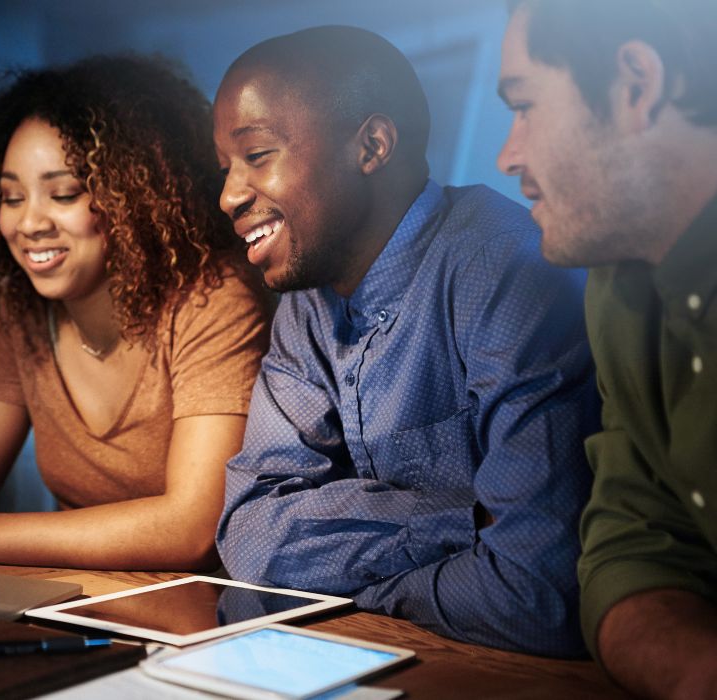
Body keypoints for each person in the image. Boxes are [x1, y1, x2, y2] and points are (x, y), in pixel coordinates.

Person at [213, 25, 600, 657]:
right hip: (397, 656)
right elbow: (251, 537)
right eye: (225, 168)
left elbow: (536, 597)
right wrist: (464, 521)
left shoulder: (506, 272)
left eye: (256, 156)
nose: (228, 195)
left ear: (371, 145)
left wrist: (357, 582)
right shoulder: (303, 308)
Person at [0, 55, 271, 571]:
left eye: (63, 193)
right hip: (75, 602)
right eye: (10, 196)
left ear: (136, 197)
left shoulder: (212, 300)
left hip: (204, 613)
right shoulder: (22, 312)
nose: (28, 222)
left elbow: (194, 526)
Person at [497, 0, 717, 695]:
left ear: (635, 85)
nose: (508, 155)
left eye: (525, 105)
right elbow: (633, 540)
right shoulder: (620, 286)